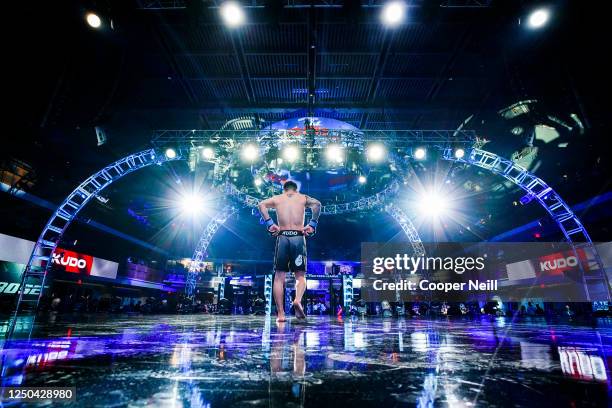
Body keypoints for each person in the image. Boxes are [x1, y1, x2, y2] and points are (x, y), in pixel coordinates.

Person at [258, 180, 321, 323]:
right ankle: (297, 300)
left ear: (284, 189)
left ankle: (281, 314)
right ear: (296, 190)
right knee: (300, 276)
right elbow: (317, 205)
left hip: (283, 237)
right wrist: (312, 224)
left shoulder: (277, 198)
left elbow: (261, 205)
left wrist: (270, 223)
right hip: (298, 237)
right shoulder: (303, 198)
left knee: (279, 277)